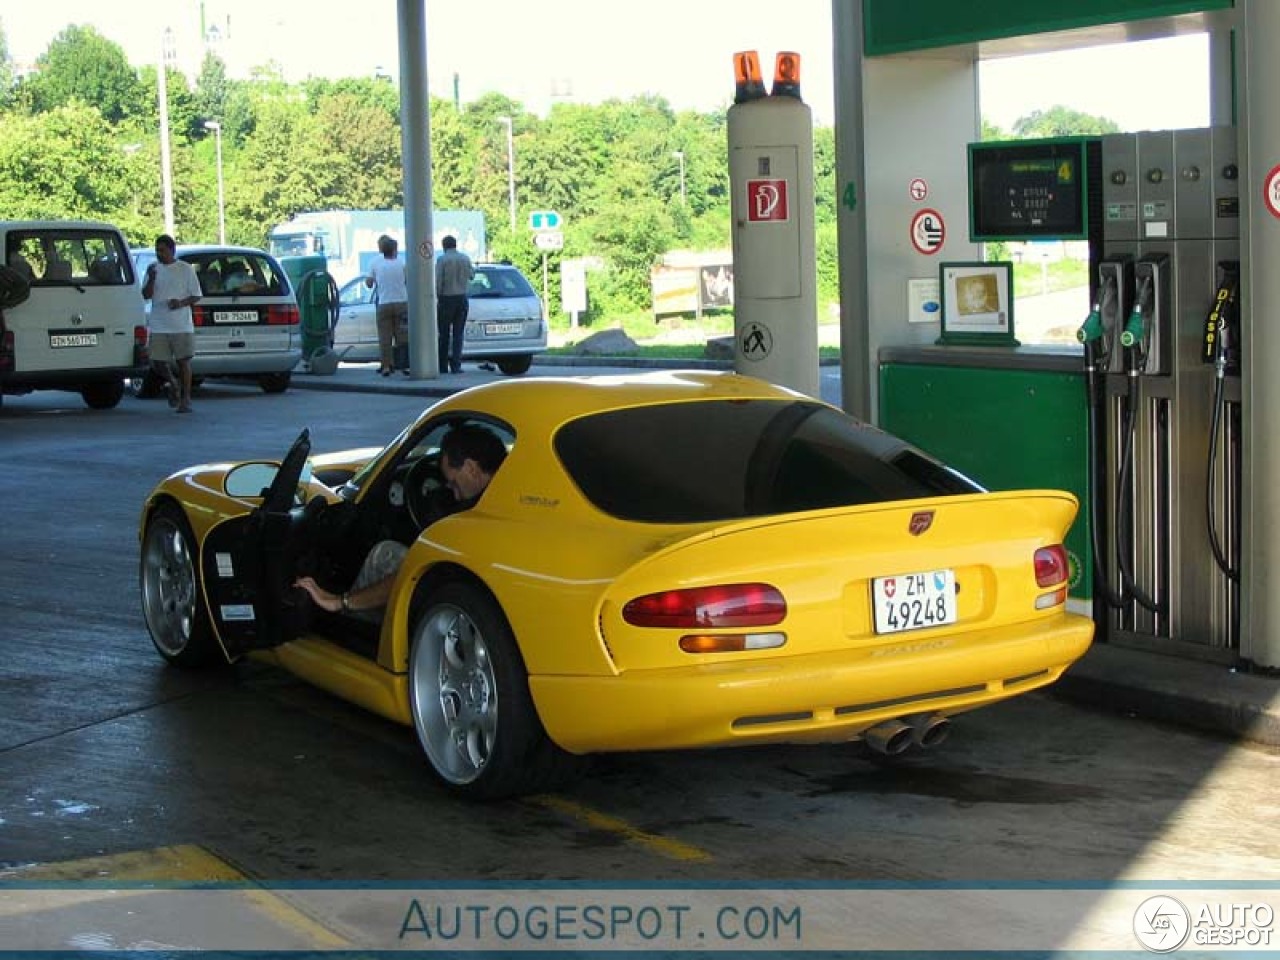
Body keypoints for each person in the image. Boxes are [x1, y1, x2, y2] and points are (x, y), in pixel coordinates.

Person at [293, 424, 507, 618]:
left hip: (458, 593)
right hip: (480, 590)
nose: (455, 495)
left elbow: (419, 570)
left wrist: (340, 602)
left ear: (470, 468)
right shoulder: (509, 487)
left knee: (383, 553)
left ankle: (354, 626)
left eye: (453, 483)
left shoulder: (478, 516)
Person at [141, 234, 202, 413]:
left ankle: (186, 399)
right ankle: (173, 383)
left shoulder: (185, 269)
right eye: (157, 251)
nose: (159, 254)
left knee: (183, 362)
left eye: (162, 250)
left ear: (171, 250)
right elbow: (145, 295)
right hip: (159, 323)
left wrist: (180, 303)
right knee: (157, 362)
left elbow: (197, 295)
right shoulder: (153, 269)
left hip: (181, 324)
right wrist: (151, 278)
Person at [365, 234, 409, 376]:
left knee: (385, 337)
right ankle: (404, 365)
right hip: (402, 302)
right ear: (395, 249)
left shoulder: (375, 263)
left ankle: (386, 366)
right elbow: (408, 280)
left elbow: (369, 283)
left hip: (384, 303)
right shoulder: (402, 263)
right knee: (402, 336)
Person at [434, 234, 474, 374]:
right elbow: (472, 275)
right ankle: (456, 365)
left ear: (444, 246)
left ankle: (442, 365)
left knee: (443, 334)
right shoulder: (465, 258)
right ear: (455, 245)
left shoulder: (442, 260)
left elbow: (438, 280)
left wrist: (437, 296)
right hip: (462, 298)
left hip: (446, 298)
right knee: (458, 334)